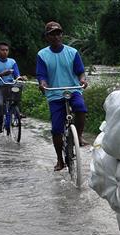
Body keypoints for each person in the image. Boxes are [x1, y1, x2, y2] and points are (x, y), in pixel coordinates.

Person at [35, 21, 88, 171]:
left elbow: (80, 72)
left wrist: (83, 79)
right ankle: (60, 160)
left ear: (62, 35)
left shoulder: (72, 52)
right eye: (52, 34)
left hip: (73, 90)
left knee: (81, 108)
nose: (56, 36)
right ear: (47, 37)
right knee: (57, 129)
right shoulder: (42, 55)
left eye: (58, 33)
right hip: (54, 93)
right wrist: (43, 84)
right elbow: (41, 75)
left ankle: (79, 136)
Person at [0, 41, 24, 136]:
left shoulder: (12, 61)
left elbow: (17, 74)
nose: (5, 52)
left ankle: (17, 112)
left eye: (6, 50)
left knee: (17, 95)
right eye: (2, 50)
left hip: (10, 86)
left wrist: (20, 77)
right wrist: (3, 74)